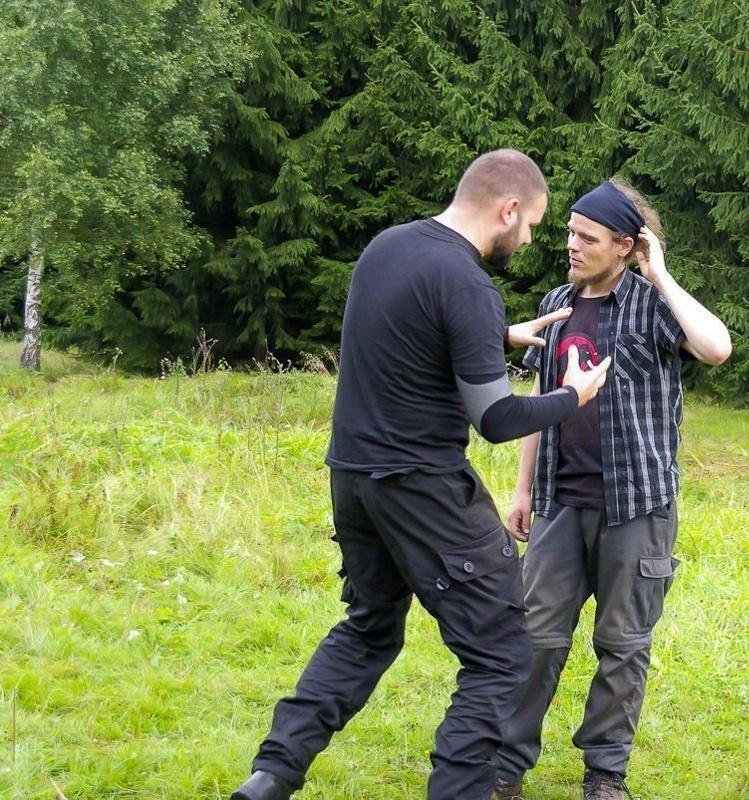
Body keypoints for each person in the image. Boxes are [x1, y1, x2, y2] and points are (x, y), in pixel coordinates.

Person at [230, 149, 612, 800]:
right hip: (423, 487)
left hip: (354, 478)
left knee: (370, 628)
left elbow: (407, 339)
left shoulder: (389, 248)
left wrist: (496, 334)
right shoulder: (466, 283)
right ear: (508, 208)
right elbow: (495, 418)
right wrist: (572, 396)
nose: (528, 240)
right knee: (500, 654)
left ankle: (271, 777)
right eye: (531, 225)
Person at [493, 178, 732, 800]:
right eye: (570, 233)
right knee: (535, 640)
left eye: (587, 237)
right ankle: (504, 768)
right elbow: (540, 400)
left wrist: (662, 275)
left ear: (626, 245)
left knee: (623, 645)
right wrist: (523, 490)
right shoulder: (557, 303)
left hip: (638, 507)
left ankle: (604, 774)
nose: (571, 245)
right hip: (559, 503)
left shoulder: (653, 305)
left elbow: (716, 349)